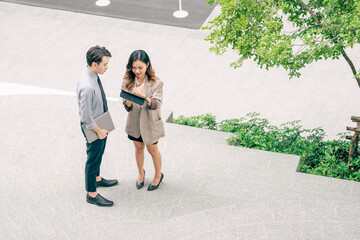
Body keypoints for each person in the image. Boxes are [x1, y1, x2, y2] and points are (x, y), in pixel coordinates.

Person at [76, 45, 118, 207]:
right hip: (94, 125)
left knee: (99, 153)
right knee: (93, 159)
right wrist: (99, 131)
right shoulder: (87, 86)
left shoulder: (91, 73)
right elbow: (85, 116)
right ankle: (91, 193)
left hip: (101, 119)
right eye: (105, 64)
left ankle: (98, 179)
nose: (107, 67)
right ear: (94, 64)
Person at [121, 50, 165, 191]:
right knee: (138, 148)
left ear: (147, 65)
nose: (137, 71)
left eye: (140, 67)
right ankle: (141, 173)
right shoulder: (128, 81)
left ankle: (158, 175)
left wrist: (144, 96)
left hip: (150, 122)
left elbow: (156, 104)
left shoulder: (156, 82)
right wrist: (127, 102)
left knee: (152, 150)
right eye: (134, 68)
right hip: (135, 122)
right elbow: (126, 105)